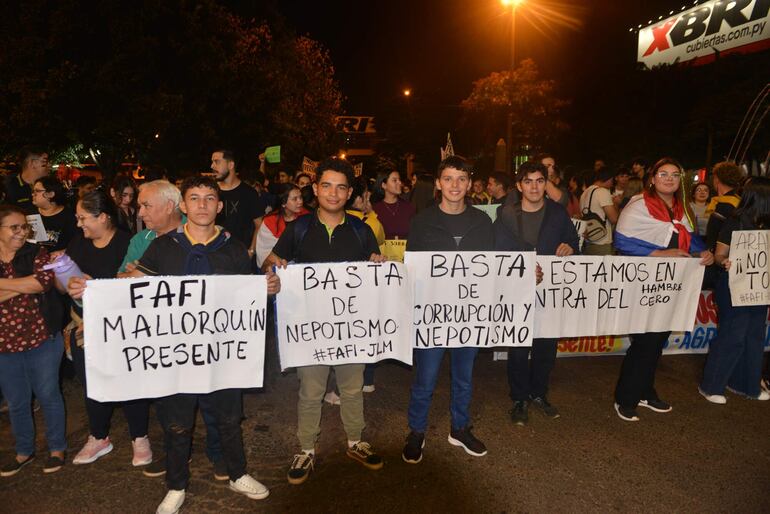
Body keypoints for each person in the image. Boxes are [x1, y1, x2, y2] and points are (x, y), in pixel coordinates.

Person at [117, 176, 278, 513]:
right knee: (177, 422)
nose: (202, 205)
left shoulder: (233, 250)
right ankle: (176, 485)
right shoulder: (162, 247)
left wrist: (267, 289)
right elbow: (134, 285)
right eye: (195, 198)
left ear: (219, 206)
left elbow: (247, 297)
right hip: (178, 354)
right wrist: (99, 288)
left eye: (209, 198)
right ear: (184, 206)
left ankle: (237, 473)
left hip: (222, 353)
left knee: (229, 417)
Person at [264, 158, 385, 485]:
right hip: (309, 330)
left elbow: (376, 274)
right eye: (327, 185)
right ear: (315, 189)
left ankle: (355, 441)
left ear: (349, 193)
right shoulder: (298, 229)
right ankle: (306, 448)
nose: (334, 193)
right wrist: (272, 276)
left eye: (341, 187)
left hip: (350, 329)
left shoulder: (362, 231)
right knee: (310, 391)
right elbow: (270, 262)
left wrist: (378, 265)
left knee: (352, 388)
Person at [402, 155, 495, 464]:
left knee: (464, 377)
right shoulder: (421, 222)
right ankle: (416, 431)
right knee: (425, 379)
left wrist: (524, 273)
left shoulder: (482, 221)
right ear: (438, 184)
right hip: (432, 315)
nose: (455, 185)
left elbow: (496, 267)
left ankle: (459, 427)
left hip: (468, 314)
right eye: (449, 179)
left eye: (461, 179)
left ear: (469, 184)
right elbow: (411, 268)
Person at [613, 157, 714, 421]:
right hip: (642, 283)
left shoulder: (683, 208)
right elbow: (622, 241)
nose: (668, 179)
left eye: (674, 174)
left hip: (672, 285)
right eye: (663, 174)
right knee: (645, 340)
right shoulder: (638, 205)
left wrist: (703, 251)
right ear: (652, 178)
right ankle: (625, 398)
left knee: (658, 339)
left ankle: (646, 391)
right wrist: (660, 252)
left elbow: (689, 238)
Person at [64, 190, 152, 465]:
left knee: (129, 383)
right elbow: (61, 282)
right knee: (92, 383)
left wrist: (98, 294)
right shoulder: (78, 244)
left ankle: (140, 437)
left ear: (102, 217)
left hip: (121, 328)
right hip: (82, 329)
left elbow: (136, 288)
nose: (79, 224)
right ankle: (98, 436)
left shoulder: (129, 244)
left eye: (82, 218)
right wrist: (69, 284)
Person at [494, 161, 580, 426]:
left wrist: (570, 248)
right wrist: (523, 273)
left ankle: (539, 393)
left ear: (546, 184)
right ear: (519, 186)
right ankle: (519, 398)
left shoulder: (558, 213)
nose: (534, 186)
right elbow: (499, 253)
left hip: (551, 293)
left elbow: (574, 243)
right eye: (528, 181)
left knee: (546, 347)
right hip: (518, 292)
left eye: (539, 181)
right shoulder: (506, 214)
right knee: (519, 347)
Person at [0, 205, 66, 476]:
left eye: (24, 227)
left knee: (48, 394)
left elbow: (41, 284)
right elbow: (31, 283)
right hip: (4, 343)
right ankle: (24, 451)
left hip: (42, 337)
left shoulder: (35, 251)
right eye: (14, 227)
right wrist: (22, 284)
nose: (21, 232)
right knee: (16, 401)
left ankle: (57, 449)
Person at [700, 177, 770, 403]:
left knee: (755, 335)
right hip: (733, 285)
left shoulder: (766, 223)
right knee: (733, 334)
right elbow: (719, 255)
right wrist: (725, 262)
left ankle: (746, 384)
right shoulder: (735, 221)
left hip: (759, 287)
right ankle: (712, 386)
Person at [211, 149, 269, 256]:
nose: (212, 166)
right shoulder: (210, 192)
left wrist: (251, 251)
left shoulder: (249, 193)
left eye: (217, 162)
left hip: (240, 257)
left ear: (231, 165)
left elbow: (259, 225)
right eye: (212, 162)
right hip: (213, 256)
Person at [254, 184, 308, 267]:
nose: (300, 201)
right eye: (295, 199)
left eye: (300, 197)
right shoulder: (270, 221)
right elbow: (264, 253)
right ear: (283, 203)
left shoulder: (307, 217)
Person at [704, 161, 743, 251]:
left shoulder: (722, 205)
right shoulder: (740, 201)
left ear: (717, 179)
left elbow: (713, 235)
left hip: (720, 256)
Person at [30, 176, 77, 251]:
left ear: (51, 194)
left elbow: (75, 245)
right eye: (33, 191)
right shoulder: (29, 213)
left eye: (37, 191)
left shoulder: (70, 217)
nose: (33, 194)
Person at [579, 167, 618, 255]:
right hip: (602, 242)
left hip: (588, 240)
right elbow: (614, 218)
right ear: (609, 179)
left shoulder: (585, 193)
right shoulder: (602, 192)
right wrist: (615, 203)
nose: (612, 184)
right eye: (612, 181)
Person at [4, 146, 50, 214]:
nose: (49, 165)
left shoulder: (51, 185)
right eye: (45, 161)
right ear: (33, 163)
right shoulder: (8, 187)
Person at [373, 170, 416, 239]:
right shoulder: (375, 210)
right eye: (394, 180)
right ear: (384, 185)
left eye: (399, 180)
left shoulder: (409, 208)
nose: (399, 183)